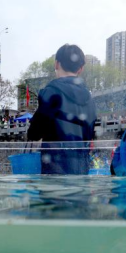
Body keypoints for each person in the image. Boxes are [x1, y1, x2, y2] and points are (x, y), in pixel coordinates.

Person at [26, 44, 97, 174]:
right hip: (81, 171)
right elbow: (89, 137)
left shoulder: (51, 92)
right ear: (80, 69)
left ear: (56, 64)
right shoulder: (90, 99)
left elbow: (34, 134)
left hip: (55, 171)